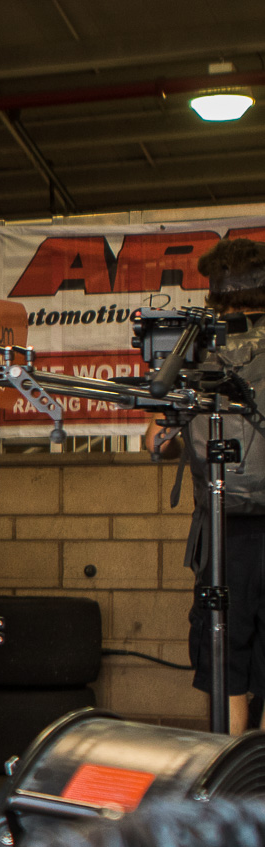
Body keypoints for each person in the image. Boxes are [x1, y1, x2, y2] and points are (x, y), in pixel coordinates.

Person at [145, 236, 265, 731]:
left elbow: (154, 443)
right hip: (236, 528)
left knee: (225, 662)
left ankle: (227, 785)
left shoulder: (194, 346)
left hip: (221, 531)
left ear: (215, 290)